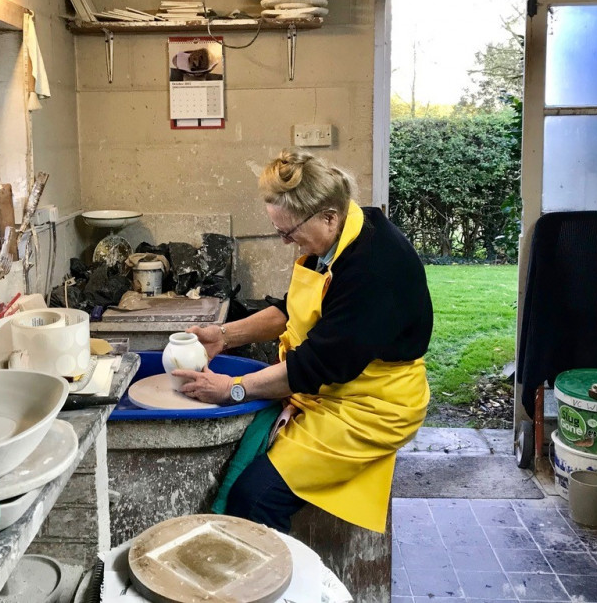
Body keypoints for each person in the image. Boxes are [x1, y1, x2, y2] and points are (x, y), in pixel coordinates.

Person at [173, 148, 433, 534]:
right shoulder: (339, 234)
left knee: (255, 498)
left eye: (288, 233)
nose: (284, 242)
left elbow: (315, 365)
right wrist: (223, 336)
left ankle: (279, 587)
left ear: (328, 216)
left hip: (371, 406)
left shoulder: (374, 269)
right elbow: (289, 310)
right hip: (330, 390)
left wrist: (234, 390)